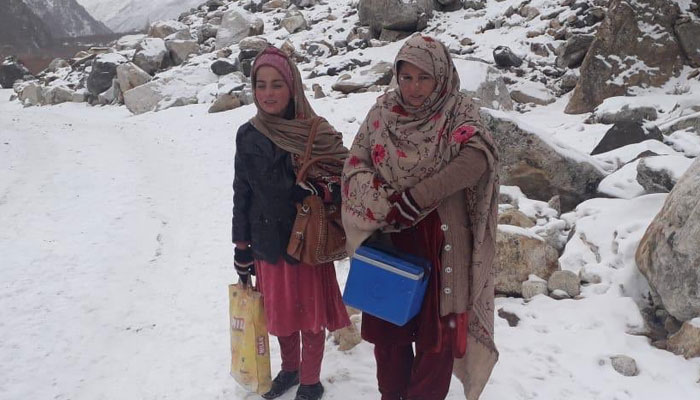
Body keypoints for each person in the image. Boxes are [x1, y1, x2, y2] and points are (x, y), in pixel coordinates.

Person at [341, 34, 500, 400]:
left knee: (437, 338)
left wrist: (418, 197)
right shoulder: (383, 113)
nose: (414, 88)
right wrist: (384, 202)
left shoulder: (458, 111)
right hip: (392, 238)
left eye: (424, 77)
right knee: (390, 336)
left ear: (441, 76)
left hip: (441, 244)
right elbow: (355, 164)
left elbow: (477, 158)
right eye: (407, 77)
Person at [232, 46, 350, 400]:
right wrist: (241, 247)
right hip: (267, 244)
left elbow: (347, 175)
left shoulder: (314, 131)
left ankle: (311, 381)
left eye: (277, 85)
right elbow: (242, 194)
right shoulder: (247, 134)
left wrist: (318, 191)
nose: (268, 94)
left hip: (307, 242)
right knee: (281, 317)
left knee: (310, 318)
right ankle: (291, 369)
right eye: (261, 85)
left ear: (293, 87)